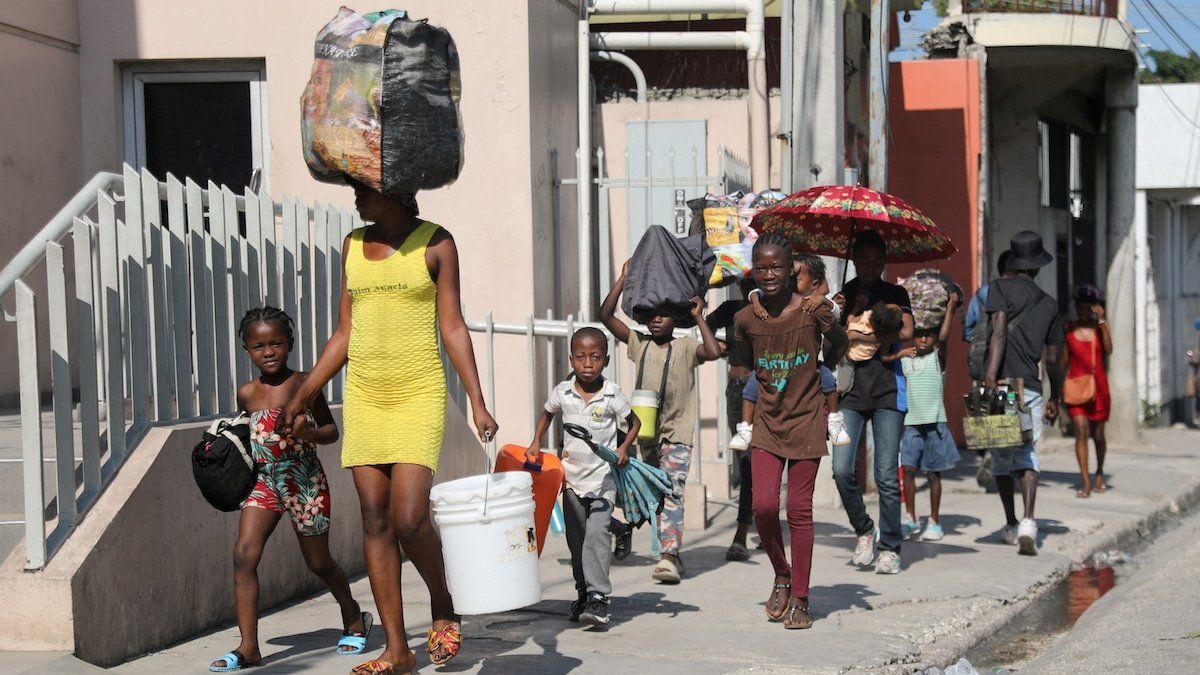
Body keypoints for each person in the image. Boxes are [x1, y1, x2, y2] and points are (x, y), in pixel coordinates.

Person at [283, 183, 498, 675]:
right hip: (365, 395)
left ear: (397, 192)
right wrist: (305, 392)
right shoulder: (353, 245)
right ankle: (397, 651)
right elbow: (345, 333)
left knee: (408, 518)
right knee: (374, 518)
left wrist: (478, 402)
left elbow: (453, 327)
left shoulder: (436, 242)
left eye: (366, 191)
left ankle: (443, 603)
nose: (357, 199)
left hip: (417, 391)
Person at [210, 308, 367, 672]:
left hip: (304, 481)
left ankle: (352, 613)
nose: (268, 351)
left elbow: (331, 432)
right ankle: (249, 647)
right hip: (264, 482)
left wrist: (310, 433)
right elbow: (247, 437)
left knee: (319, 562)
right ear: (246, 351)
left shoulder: (305, 385)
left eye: (276, 343)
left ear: (290, 345)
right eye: (258, 345)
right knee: (243, 556)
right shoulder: (247, 393)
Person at [733, 237, 847, 629]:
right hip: (767, 421)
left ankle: (801, 596)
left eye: (777, 268)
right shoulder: (746, 318)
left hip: (807, 421)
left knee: (799, 510)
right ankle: (782, 572)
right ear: (753, 271)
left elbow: (837, 350)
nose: (769, 275)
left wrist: (829, 316)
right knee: (763, 506)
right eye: (761, 268)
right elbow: (743, 363)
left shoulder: (812, 311)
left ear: (791, 271)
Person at [600, 263, 722, 583]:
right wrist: (623, 279)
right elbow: (605, 317)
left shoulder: (684, 347)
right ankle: (673, 552)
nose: (657, 319)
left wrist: (699, 317)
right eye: (651, 313)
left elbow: (712, 351)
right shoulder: (639, 344)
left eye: (664, 313)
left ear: (676, 318)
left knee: (672, 491)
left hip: (677, 433)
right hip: (646, 434)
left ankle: (667, 556)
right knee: (654, 494)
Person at [526, 327, 640, 627]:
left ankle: (599, 598)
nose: (587, 364)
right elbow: (547, 414)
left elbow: (635, 421)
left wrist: (624, 448)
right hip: (572, 480)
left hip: (603, 479)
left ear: (605, 360)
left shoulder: (612, 394)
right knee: (576, 543)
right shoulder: (562, 392)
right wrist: (536, 441)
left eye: (595, 357)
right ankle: (583, 593)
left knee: (596, 538)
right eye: (580, 357)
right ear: (571, 359)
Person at [831, 229, 914, 575]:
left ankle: (890, 546)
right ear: (854, 261)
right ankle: (864, 529)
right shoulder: (843, 294)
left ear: (883, 262)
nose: (866, 265)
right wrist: (840, 316)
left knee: (885, 475)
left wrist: (861, 331)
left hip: (886, 394)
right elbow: (830, 335)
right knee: (840, 469)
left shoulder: (895, 293)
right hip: (849, 393)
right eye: (861, 259)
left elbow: (907, 331)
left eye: (873, 260)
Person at [983, 230, 1064, 556]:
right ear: (1038, 266)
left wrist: (990, 375)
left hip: (1000, 387)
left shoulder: (998, 288)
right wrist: (1054, 397)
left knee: (1002, 456)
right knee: (1027, 453)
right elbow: (1055, 359)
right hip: (1029, 387)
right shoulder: (1049, 304)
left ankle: (1011, 522)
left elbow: (998, 330)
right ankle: (1030, 521)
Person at [899, 292, 962, 541]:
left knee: (934, 474)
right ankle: (911, 518)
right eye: (919, 334)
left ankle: (934, 521)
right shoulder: (906, 361)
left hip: (935, 424)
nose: (924, 339)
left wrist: (950, 309)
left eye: (929, 335)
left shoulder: (938, 360)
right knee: (909, 470)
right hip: (911, 425)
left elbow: (945, 338)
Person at [1063, 284, 1112, 498]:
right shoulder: (1068, 329)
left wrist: (1102, 322)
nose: (1083, 313)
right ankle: (1085, 481)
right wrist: (1057, 390)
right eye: (1080, 308)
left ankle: (1099, 472)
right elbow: (1063, 361)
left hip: (1099, 388)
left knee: (1098, 435)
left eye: (1087, 309)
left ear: (1094, 309)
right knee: (1081, 431)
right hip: (1076, 387)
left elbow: (1109, 350)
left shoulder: (1099, 329)